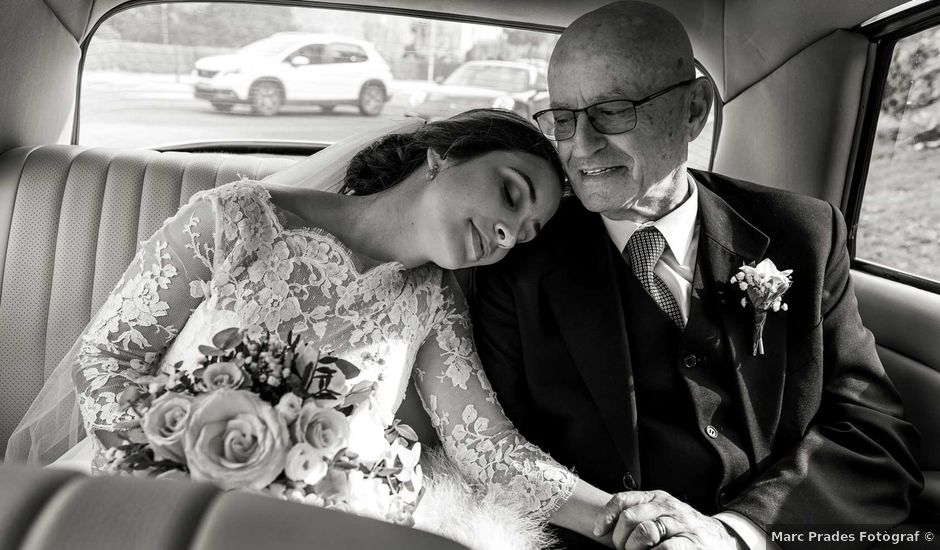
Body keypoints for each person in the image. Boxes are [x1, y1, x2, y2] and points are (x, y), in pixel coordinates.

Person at [6, 109, 617, 547]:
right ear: (443, 157)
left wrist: (613, 518)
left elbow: (488, 450)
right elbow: (112, 357)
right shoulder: (237, 221)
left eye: (528, 233)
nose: (509, 235)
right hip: (162, 489)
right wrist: (159, 475)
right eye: (512, 194)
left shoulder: (435, 304)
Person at [469, 3, 924, 550]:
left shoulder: (802, 234)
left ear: (694, 111)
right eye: (563, 118)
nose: (581, 146)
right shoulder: (517, 264)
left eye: (612, 111)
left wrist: (736, 533)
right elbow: (503, 455)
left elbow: (874, 438)